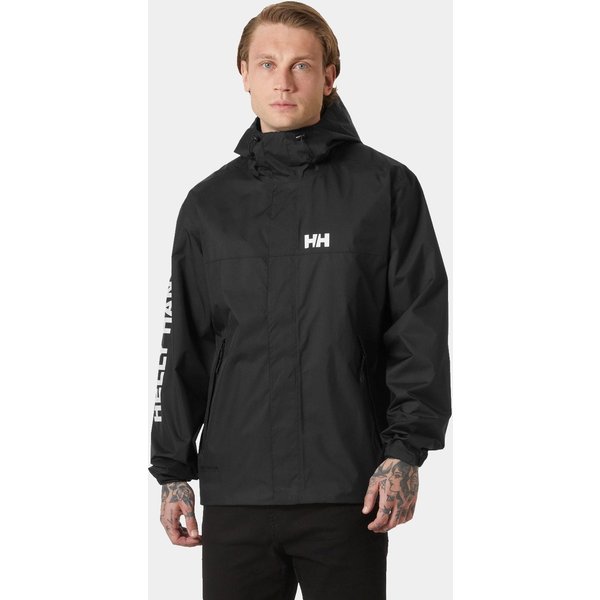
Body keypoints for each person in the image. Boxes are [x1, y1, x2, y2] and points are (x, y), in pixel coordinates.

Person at [149, 2, 451, 598]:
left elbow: (418, 327)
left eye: (301, 65)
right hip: (236, 493)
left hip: (349, 487)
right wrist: (173, 470)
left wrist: (405, 451)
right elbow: (183, 341)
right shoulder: (208, 205)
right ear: (243, 73)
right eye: (267, 64)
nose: (283, 81)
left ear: (330, 75)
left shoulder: (384, 188)